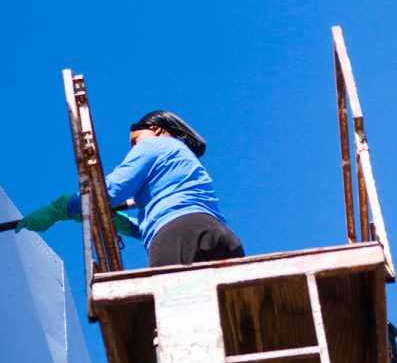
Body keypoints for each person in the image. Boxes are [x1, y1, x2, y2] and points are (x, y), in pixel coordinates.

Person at [17, 109, 244, 267]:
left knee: (175, 319)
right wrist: (118, 223)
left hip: (181, 233)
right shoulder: (183, 163)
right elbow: (161, 218)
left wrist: (61, 208)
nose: (133, 146)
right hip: (221, 238)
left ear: (156, 129)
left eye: (134, 140)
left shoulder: (156, 145)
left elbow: (110, 191)